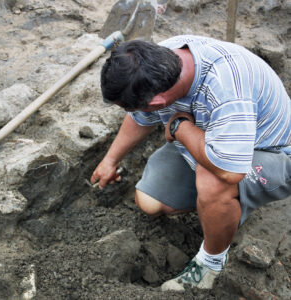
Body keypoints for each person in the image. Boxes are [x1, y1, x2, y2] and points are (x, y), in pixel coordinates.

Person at [91, 35, 291, 291]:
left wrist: (180, 127)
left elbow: (229, 170)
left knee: (213, 181)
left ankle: (210, 264)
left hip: (270, 152)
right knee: (149, 202)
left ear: (158, 104)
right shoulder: (160, 59)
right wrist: (110, 160)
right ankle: (222, 210)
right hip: (209, 140)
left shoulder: (227, 88)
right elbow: (138, 117)